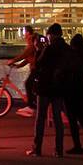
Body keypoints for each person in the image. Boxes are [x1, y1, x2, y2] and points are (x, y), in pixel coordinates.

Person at [28, 23, 69, 157]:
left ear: (50, 35)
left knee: (40, 117)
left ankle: (37, 148)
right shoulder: (66, 49)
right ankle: (58, 149)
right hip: (59, 87)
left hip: (45, 86)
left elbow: (38, 64)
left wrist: (39, 50)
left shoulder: (49, 48)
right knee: (57, 118)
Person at [64, 32, 83, 153]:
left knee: (72, 118)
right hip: (81, 88)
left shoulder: (73, 56)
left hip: (71, 89)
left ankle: (77, 145)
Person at [8, 27, 39, 117]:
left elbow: (24, 54)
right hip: (35, 68)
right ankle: (33, 103)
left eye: (24, 32)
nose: (23, 34)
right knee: (32, 86)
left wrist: (12, 61)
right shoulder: (32, 41)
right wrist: (19, 65)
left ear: (28, 33)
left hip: (36, 68)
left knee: (28, 84)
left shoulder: (31, 42)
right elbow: (28, 58)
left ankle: (31, 107)